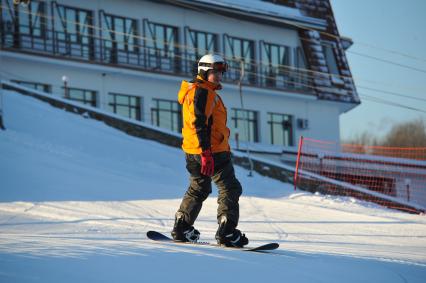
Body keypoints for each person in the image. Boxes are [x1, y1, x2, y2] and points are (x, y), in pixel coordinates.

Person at [172, 54, 249, 248]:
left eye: (221, 72)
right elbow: (199, 123)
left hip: (193, 150)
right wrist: (206, 153)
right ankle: (227, 232)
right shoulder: (203, 92)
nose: (220, 76)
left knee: (199, 188)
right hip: (212, 152)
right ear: (204, 71)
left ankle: (182, 227)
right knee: (230, 188)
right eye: (216, 72)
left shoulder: (193, 91)